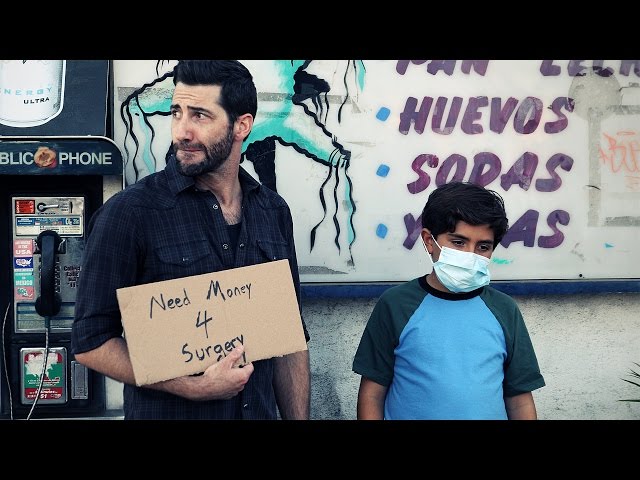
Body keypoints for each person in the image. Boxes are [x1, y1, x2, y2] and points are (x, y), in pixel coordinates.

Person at [71, 60, 310, 420]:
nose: (182, 131)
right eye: (176, 113)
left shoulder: (273, 211)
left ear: (241, 126)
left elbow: (290, 341)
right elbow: (91, 342)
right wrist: (192, 387)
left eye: (200, 116)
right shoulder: (130, 213)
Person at [352, 181, 545, 420]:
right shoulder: (396, 305)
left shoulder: (505, 310)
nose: (470, 255)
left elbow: (519, 400)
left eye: (483, 246)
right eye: (458, 242)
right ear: (429, 241)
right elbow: (372, 394)